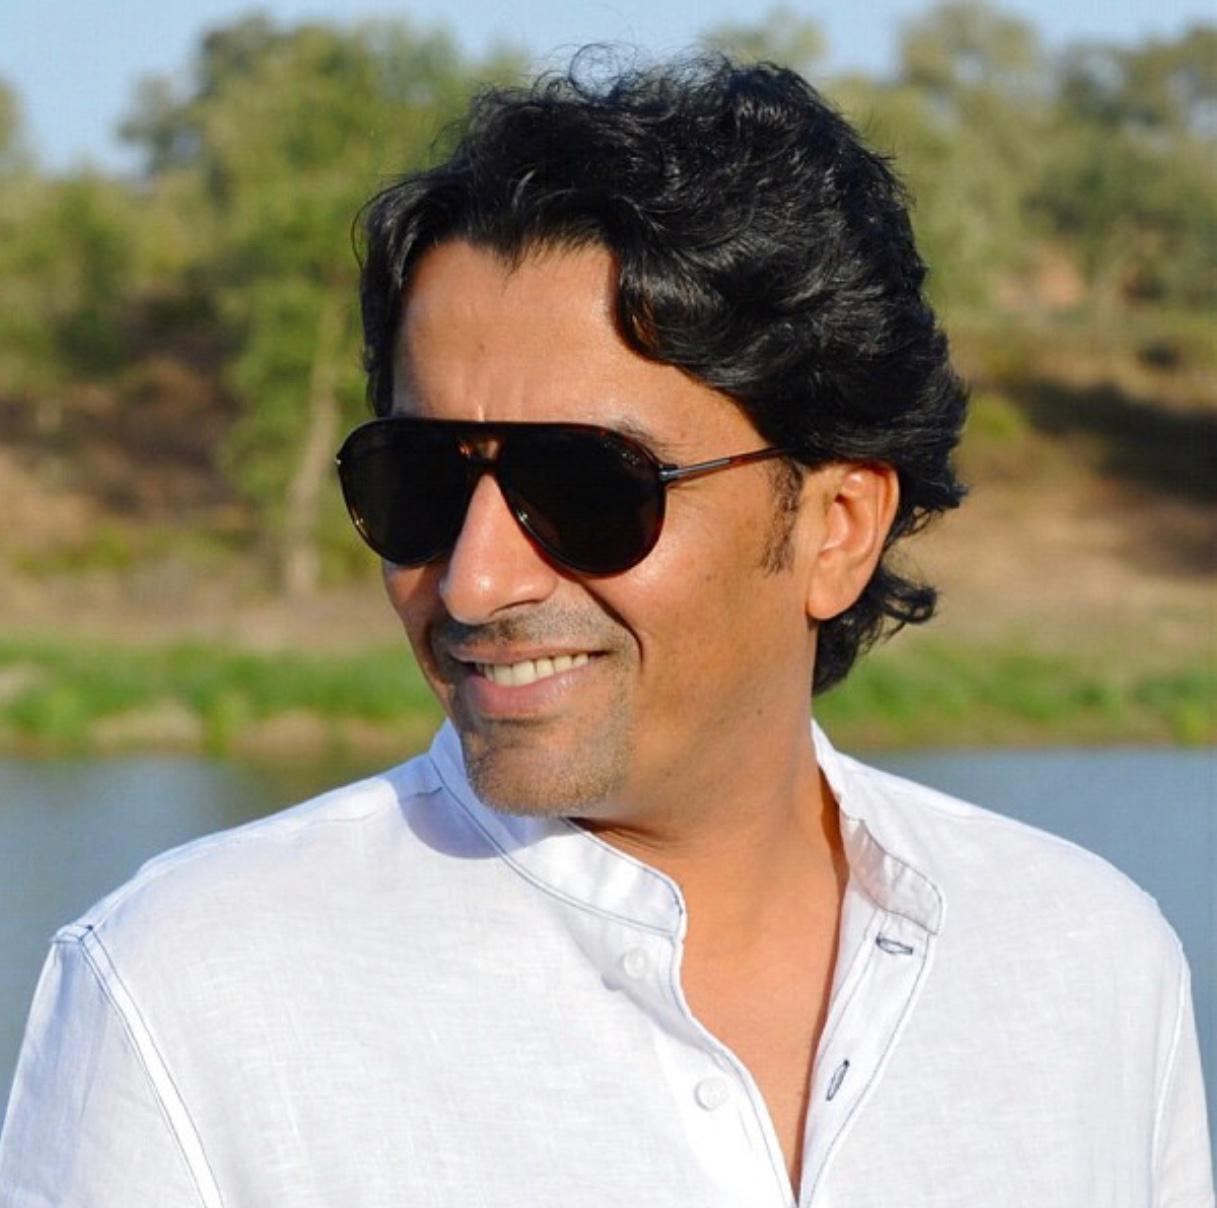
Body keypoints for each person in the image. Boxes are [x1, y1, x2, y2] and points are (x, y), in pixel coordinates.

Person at [1, 56, 1211, 1207]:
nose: (473, 579)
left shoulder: (1085, 963)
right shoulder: (183, 995)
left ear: (836, 527)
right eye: (420, 479)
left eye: (586, 486)